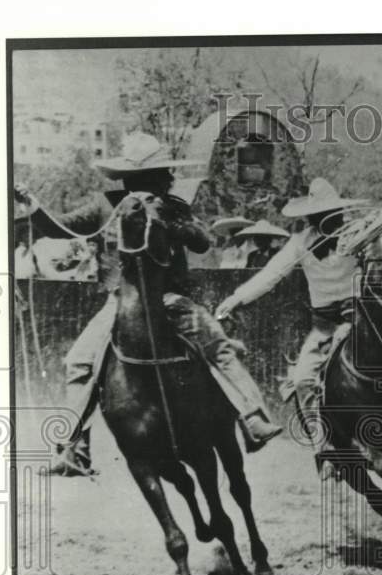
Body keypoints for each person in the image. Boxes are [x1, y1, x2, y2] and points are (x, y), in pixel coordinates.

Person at [15, 132, 282, 476]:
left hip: (172, 299)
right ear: (139, 178)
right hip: (121, 301)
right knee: (79, 362)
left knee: (218, 346)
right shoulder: (104, 206)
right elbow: (61, 228)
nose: (167, 179)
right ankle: (74, 450)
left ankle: (253, 417)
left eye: (163, 175)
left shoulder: (173, 205)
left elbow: (202, 241)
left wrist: (170, 221)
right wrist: (32, 205)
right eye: (159, 174)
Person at [216, 178, 382, 478]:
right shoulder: (299, 243)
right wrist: (237, 298)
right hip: (324, 327)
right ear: (310, 218)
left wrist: (375, 249)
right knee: (303, 379)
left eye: (331, 214)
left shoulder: (359, 233)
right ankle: (324, 447)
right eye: (318, 216)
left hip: (361, 317)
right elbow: (271, 274)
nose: (325, 220)